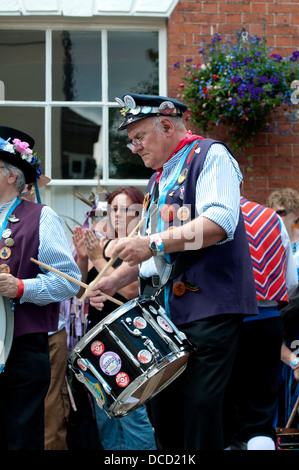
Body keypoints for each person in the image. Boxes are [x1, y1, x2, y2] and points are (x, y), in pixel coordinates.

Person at [87, 93, 259, 450]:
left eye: (138, 138)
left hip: (209, 309)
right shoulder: (158, 181)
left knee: (198, 414)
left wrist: (151, 243)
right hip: (166, 317)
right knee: (164, 416)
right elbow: (155, 260)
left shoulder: (211, 155)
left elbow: (220, 222)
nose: (133, 148)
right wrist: (111, 281)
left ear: (166, 125)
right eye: (131, 141)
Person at [0, 126, 81, 450]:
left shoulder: (40, 216)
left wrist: (21, 287)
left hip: (21, 347)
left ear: (10, 175)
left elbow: (68, 281)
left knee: (20, 438)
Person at [72, 186, 156, 451]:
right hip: (98, 337)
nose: (118, 215)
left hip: (128, 337)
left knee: (132, 410)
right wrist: (84, 259)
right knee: (105, 412)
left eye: (126, 210)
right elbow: (79, 290)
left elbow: (130, 291)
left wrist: (97, 258)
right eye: (114, 209)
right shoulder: (102, 244)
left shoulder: (141, 246)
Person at [223, 195, 298, 450]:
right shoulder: (271, 219)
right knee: (259, 416)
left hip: (219, 323)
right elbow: (289, 283)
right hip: (266, 319)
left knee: (221, 413)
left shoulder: (203, 216)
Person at [266, 188, 299, 425]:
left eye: (282, 212)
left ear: (295, 214)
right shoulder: (270, 246)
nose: (276, 216)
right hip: (278, 323)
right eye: (272, 212)